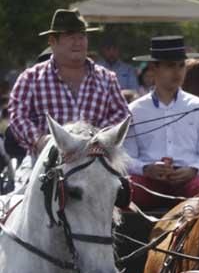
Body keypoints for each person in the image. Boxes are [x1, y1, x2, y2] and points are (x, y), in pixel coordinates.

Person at [8, 9, 130, 160]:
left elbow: (123, 114)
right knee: (24, 184)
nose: (77, 42)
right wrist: (40, 140)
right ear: (52, 41)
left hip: (96, 162)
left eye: (82, 36)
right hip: (44, 162)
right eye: (70, 36)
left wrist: (99, 136)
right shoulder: (31, 78)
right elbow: (17, 116)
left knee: (121, 182)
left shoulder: (106, 78)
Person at [123, 36, 199, 209]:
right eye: (170, 66)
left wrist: (193, 170)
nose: (177, 72)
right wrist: (146, 168)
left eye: (181, 65)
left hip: (190, 182)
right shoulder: (134, 110)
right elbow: (126, 157)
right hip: (148, 182)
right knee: (126, 191)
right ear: (154, 68)